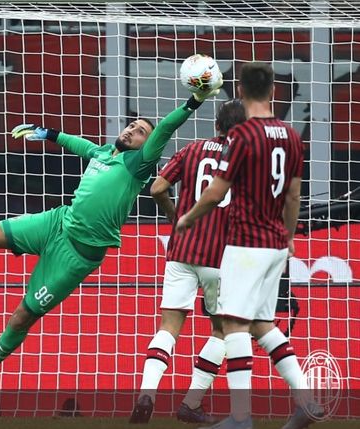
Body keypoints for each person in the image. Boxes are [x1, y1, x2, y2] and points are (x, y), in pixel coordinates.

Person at [0, 74, 223, 395]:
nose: (132, 131)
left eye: (140, 132)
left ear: (147, 145)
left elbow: (164, 129)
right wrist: (50, 133)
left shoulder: (139, 164)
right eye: (131, 126)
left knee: (22, 316)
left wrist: (194, 101)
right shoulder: (106, 153)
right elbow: (84, 146)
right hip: (57, 223)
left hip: (77, 257)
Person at [176, 62, 323, 429]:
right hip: (275, 244)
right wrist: (288, 238)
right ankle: (306, 401)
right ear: (273, 91)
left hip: (245, 243)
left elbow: (216, 190)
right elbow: (293, 196)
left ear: (239, 91)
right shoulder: (291, 136)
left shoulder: (242, 136)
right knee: (262, 323)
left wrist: (188, 218)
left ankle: (241, 417)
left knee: (233, 325)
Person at [130, 99, 247, 424]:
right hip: (220, 255)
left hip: (181, 251)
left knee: (168, 327)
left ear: (217, 125)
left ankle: (147, 393)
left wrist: (176, 216)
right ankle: (192, 402)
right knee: (222, 330)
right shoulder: (245, 159)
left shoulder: (192, 150)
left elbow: (157, 188)